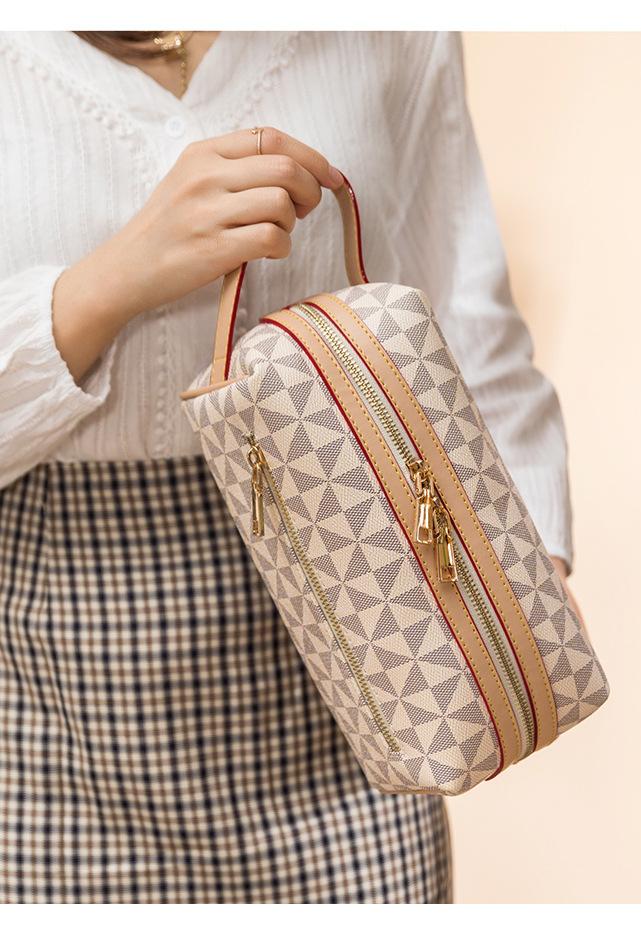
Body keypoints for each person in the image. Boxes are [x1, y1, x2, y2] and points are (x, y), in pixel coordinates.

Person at [0, 30, 579, 903]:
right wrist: (111, 279)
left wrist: (523, 559)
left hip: (360, 606)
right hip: (37, 687)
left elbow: (461, 307)